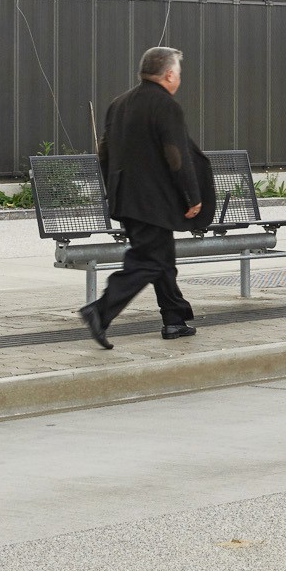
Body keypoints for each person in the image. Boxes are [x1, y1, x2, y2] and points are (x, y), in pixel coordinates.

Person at [82, 46, 207, 346]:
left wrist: (114, 189)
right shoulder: (164, 105)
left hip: (127, 198)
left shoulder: (119, 103)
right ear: (168, 74)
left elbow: (104, 152)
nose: (178, 79)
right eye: (178, 73)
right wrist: (192, 196)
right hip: (154, 202)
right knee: (148, 261)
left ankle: (174, 319)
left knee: (161, 258)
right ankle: (100, 311)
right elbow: (176, 156)